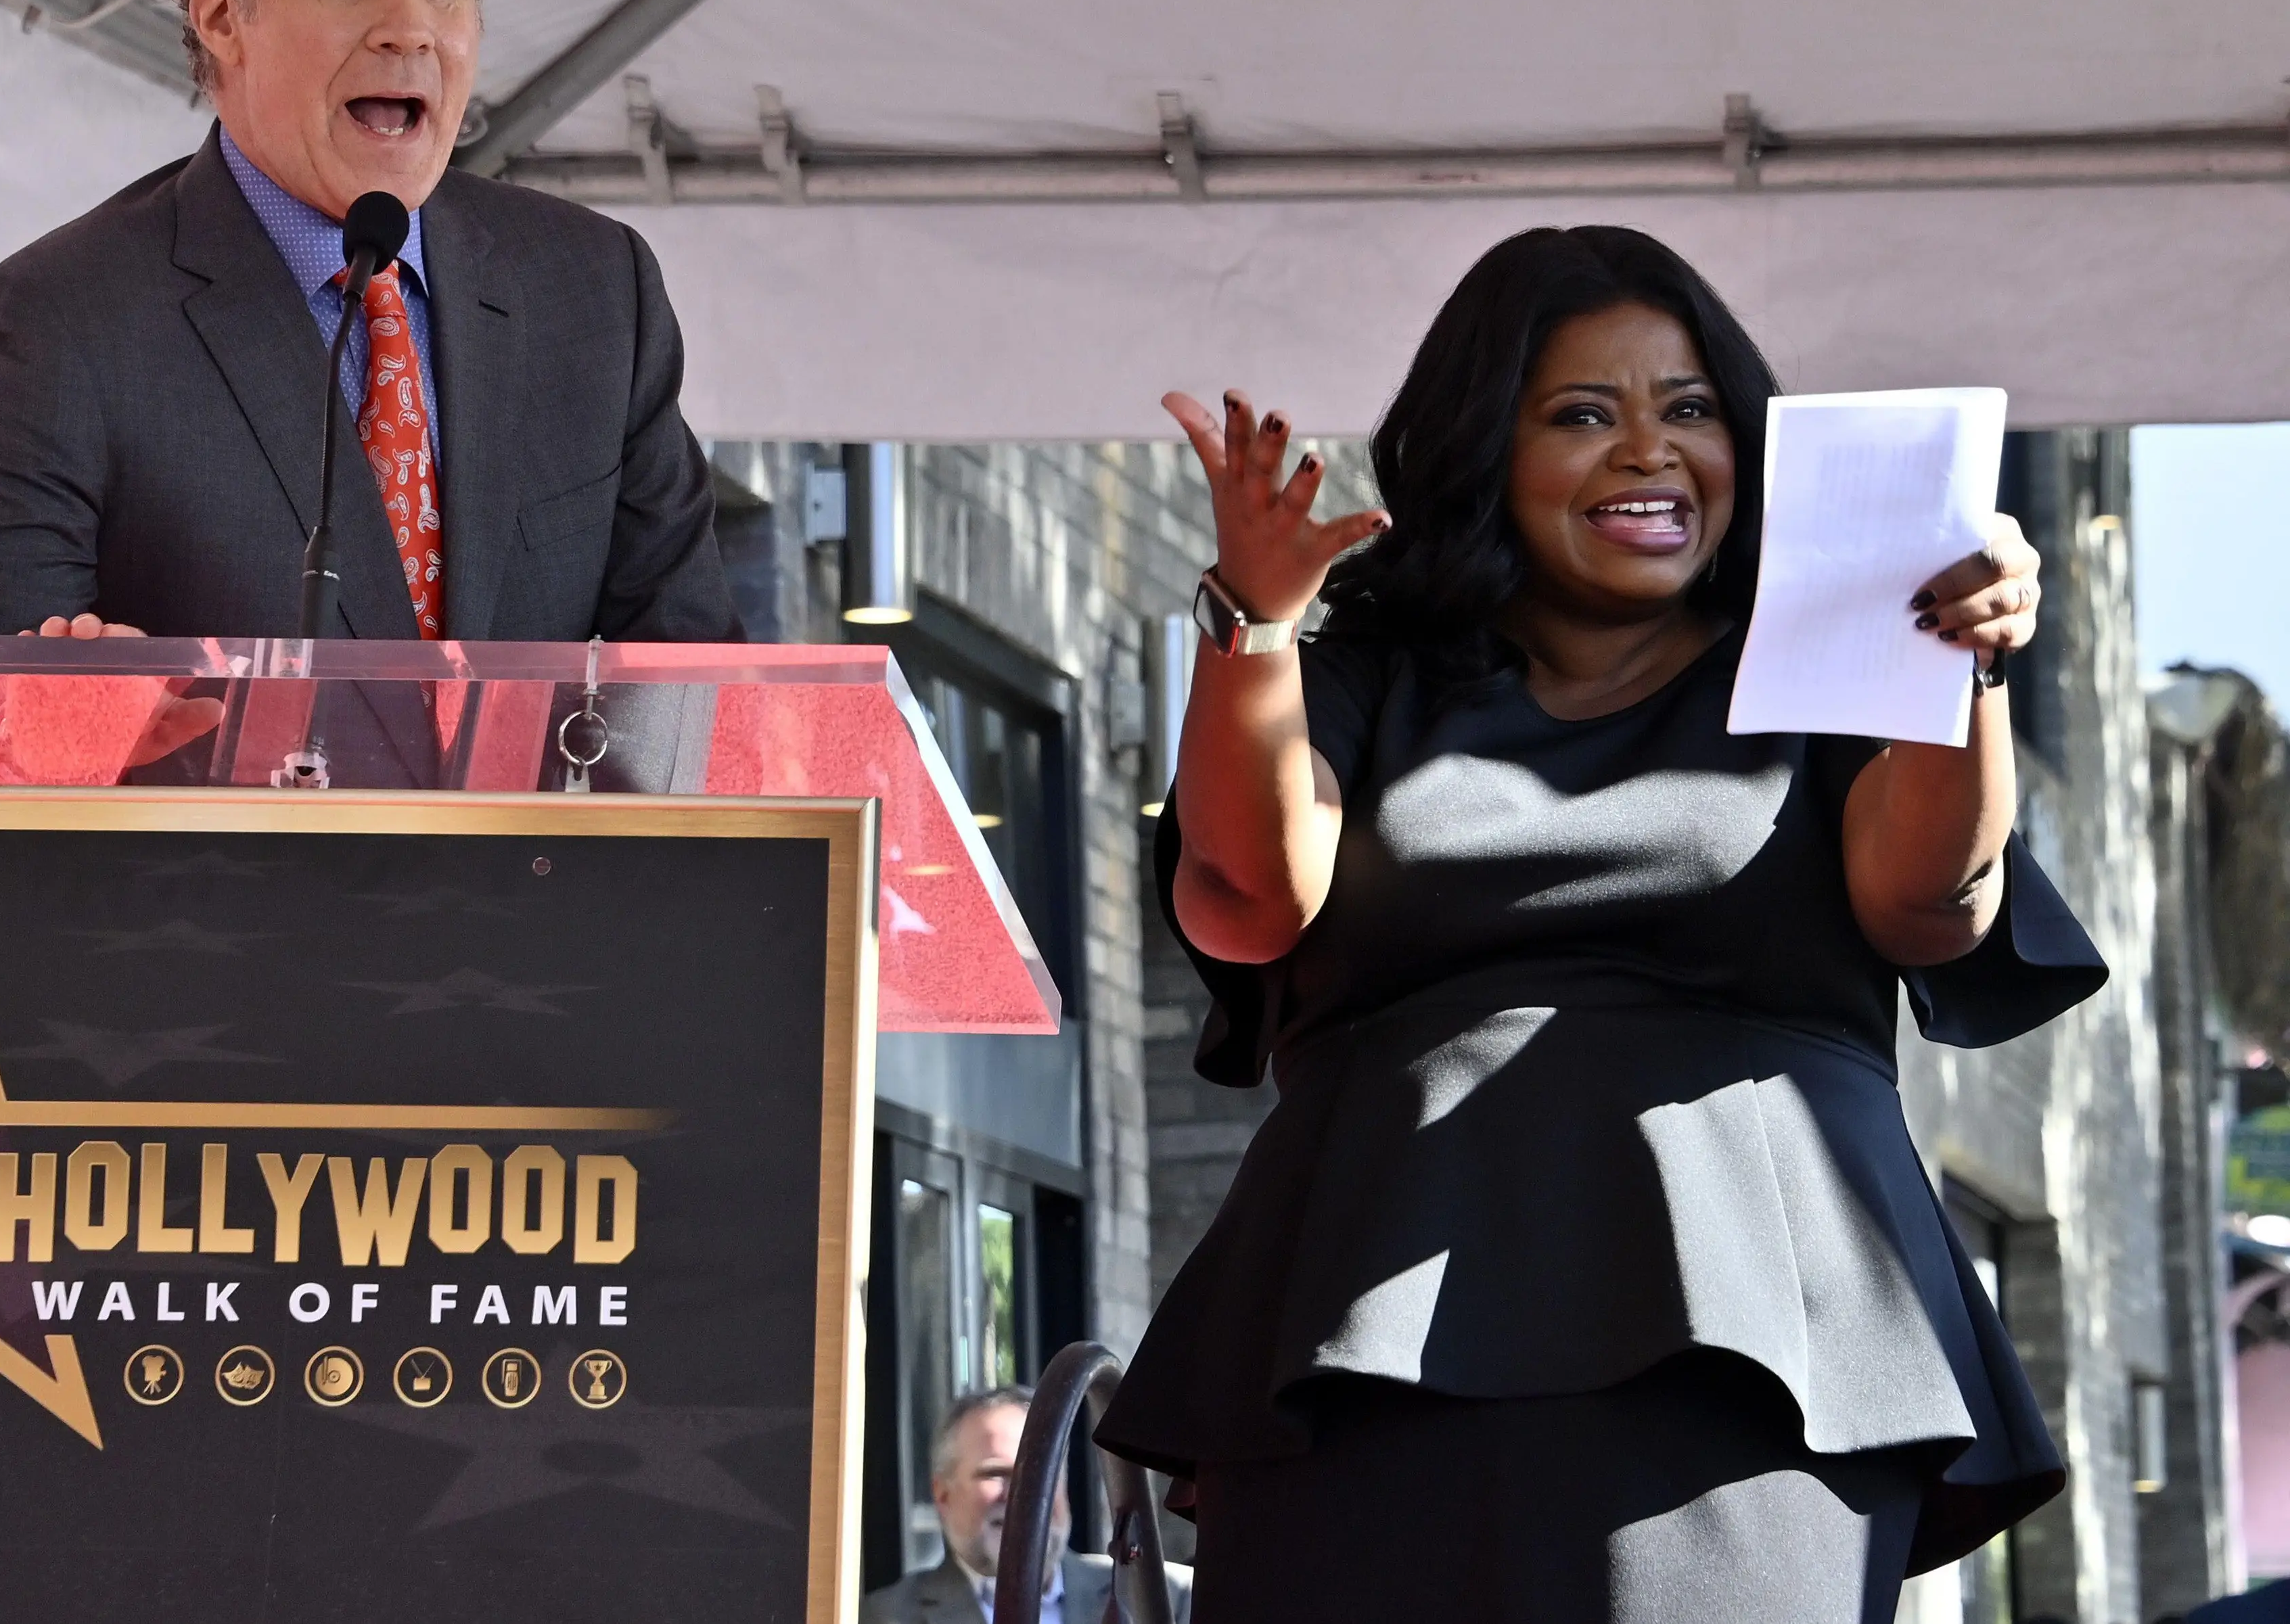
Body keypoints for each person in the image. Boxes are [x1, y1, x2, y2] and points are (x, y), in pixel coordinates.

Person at [1095, 226, 2107, 1622]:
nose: (1649, 449)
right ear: (1481, 449)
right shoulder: (1366, 676)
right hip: (1370, 1324)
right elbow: (1252, 902)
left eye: (1689, 408)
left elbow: (1932, 909)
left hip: (1761, 1327)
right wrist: (1255, 628)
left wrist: (1968, 671)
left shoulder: (1829, 653)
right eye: (1584, 413)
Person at [0, 0, 738, 649]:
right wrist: (84, 736)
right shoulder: (58, 327)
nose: (410, 28)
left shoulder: (597, 292)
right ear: (224, 16)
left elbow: (705, 701)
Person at [865, 1388, 1193, 1624]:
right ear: (943, 1495)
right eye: (996, 1474)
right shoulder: (883, 1617)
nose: (1022, 1494)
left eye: (1040, 1472)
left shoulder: (1164, 1597)